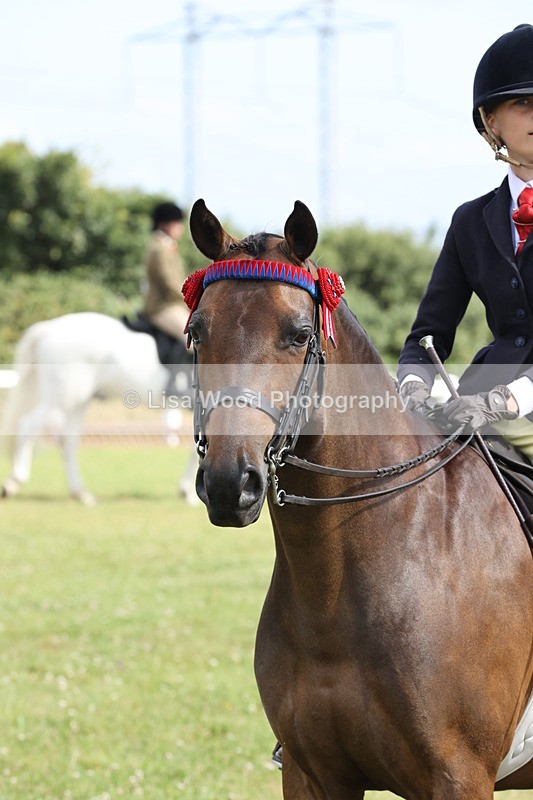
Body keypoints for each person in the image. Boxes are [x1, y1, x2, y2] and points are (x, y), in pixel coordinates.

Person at [398, 23, 533, 462]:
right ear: (491, 121)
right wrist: (414, 389)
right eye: (525, 104)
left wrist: (502, 402)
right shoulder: (469, 221)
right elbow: (427, 335)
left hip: (509, 409)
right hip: (473, 402)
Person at [142, 201, 188, 344]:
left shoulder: (167, 246)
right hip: (162, 307)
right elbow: (169, 283)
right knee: (194, 338)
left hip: (173, 304)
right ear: (164, 224)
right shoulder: (159, 249)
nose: (181, 228)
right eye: (177, 223)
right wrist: (190, 299)